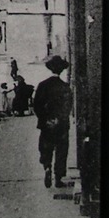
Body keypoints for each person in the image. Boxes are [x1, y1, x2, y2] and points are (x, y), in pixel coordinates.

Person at [33, 54, 73, 187]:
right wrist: (59, 120)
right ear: (61, 70)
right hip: (61, 125)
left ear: (50, 69)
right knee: (61, 150)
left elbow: (36, 105)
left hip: (46, 124)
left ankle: (47, 167)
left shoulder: (42, 85)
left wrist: (46, 119)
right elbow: (67, 107)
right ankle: (58, 178)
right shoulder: (65, 86)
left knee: (45, 147)